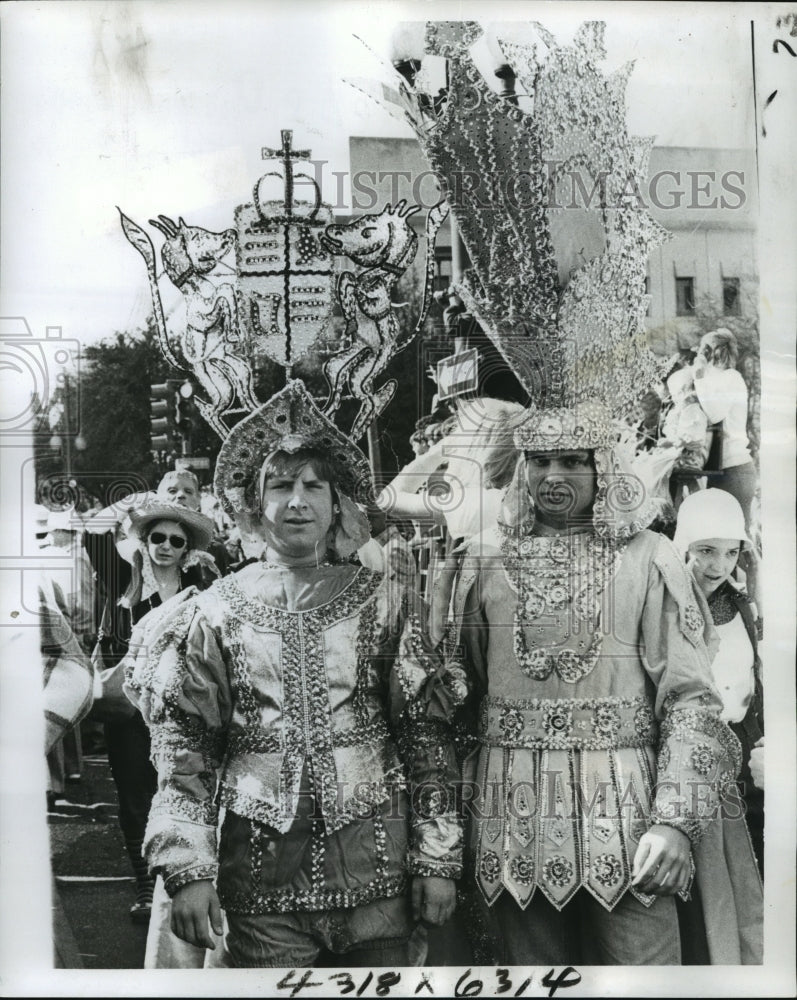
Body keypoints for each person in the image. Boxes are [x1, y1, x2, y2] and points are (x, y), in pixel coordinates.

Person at [125, 383, 464, 968]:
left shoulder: (384, 601)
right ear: (254, 505)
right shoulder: (214, 611)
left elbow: (423, 738)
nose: (298, 501)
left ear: (338, 503)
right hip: (260, 883)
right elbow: (186, 752)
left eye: (314, 486)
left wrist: (437, 859)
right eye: (280, 486)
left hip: (378, 873)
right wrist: (186, 868)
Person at [437, 405, 742, 966]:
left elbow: (692, 701)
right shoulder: (480, 558)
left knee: (645, 975)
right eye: (540, 460)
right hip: (511, 819)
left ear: (604, 468)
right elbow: (461, 696)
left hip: (630, 819)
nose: (554, 476)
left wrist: (674, 821)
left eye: (573, 461)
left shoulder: (651, 556)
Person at [82, 492, 217, 922]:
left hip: (183, 712)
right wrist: (137, 501)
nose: (165, 546)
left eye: (176, 541)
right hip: (130, 711)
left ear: (186, 551)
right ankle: (146, 887)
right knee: (135, 795)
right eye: (156, 536)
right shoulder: (124, 579)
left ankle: (180, 881)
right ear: (144, 540)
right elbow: (93, 534)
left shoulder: (204, 587)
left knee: (183, 792)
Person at [674, 490, 764, 876]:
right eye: (707, 551)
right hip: (692, 758)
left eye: (730, 553)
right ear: (683, 547)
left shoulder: (743, 604)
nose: (718, 566)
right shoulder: (666, 607)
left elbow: (755, 675)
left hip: (745, 754)